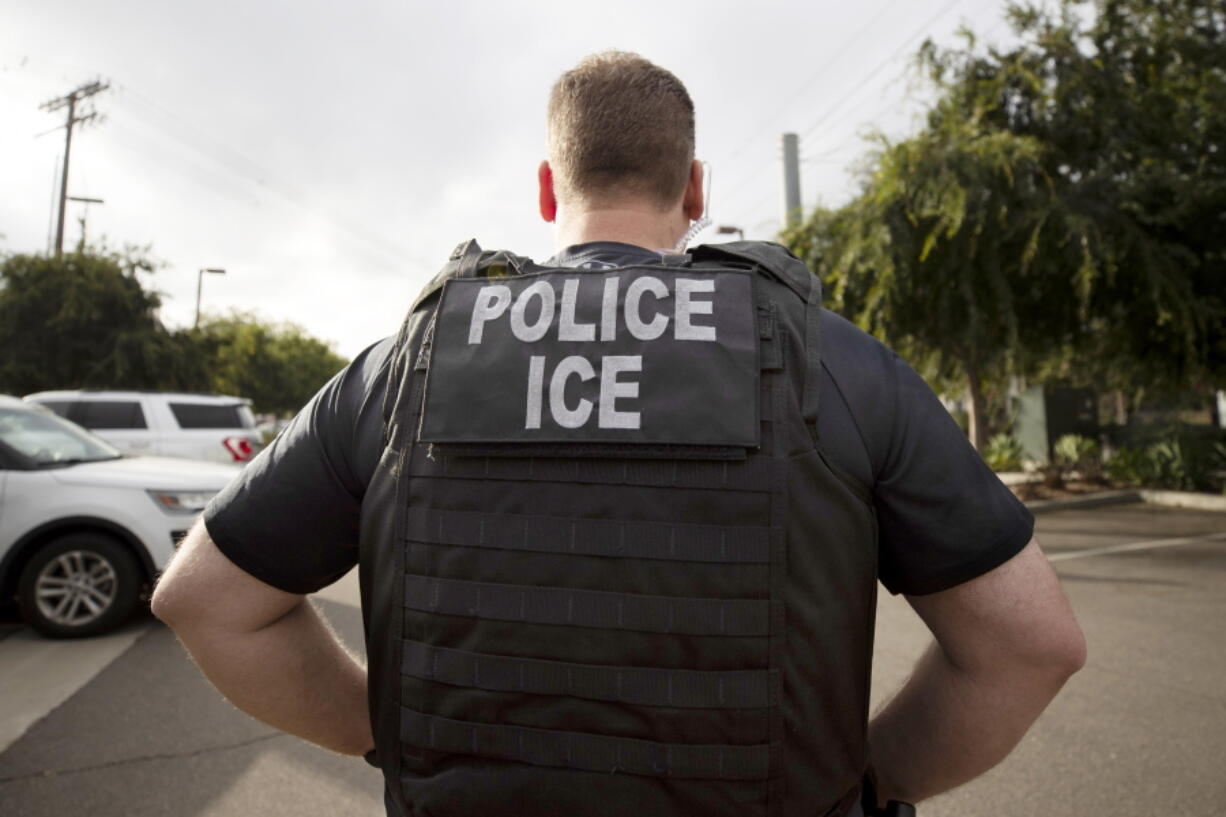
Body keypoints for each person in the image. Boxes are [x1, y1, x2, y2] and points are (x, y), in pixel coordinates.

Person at [152, 51, 1086, 817]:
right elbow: (1030, 644)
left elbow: (205, 600)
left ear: (549, 188)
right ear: (697, 188)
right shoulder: (830, 362)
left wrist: (384, 734)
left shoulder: (412, 363)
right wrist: (874, 780)